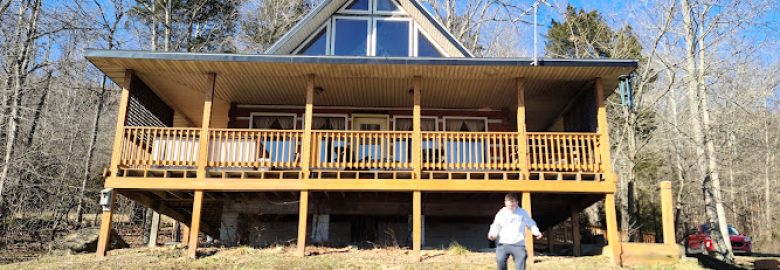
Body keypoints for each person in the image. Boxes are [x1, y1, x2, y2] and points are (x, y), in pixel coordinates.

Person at [488, 193, 542, 270]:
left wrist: (536, 232)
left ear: (517, 202)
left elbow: (531, 223)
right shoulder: (501, 213)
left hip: (518, 244)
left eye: (513, 205)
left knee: (520, 264)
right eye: (509, 205)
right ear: (505, 202)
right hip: (503, 243)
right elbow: (496, 225)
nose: (511, 207)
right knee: (500, 261)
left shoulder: (522, 213)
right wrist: (492, 234)